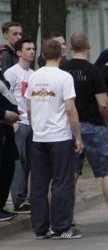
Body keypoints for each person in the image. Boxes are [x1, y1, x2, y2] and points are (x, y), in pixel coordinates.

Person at [62, 31, 108, 231]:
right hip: (93, 124)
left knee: (72, 173)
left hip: (69, 126)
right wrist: (102, 119)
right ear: (89, 46)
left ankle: (67, 219)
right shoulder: (94, 70)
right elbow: (103, 103)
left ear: (69, 47)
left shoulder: (63, 69)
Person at [26, 38, 84, 239]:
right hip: (59, 136)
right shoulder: (64, 77)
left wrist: (36, 127)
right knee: (61, 181)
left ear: (42, 55)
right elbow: (70, 109)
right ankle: (61, 227)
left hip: (39, 136)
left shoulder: (34, 77)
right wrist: (77, 137)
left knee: (39, 184)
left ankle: (40, 228)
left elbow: (30, 107)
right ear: (61, 54)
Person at [3, 38, 34, 215]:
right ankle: (18, 199)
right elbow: (6, 98)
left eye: (33, 49)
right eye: (28, 49)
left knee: (31, 162)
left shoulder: (34, 74)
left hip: (33, 123)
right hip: (19, 123)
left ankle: (29, 198)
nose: (31, 51)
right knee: (18, 162)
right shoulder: (11, 74)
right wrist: (12, 122)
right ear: (19, 53)